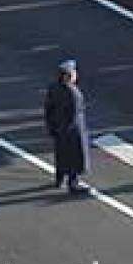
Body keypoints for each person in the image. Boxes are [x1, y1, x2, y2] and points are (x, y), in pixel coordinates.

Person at [44, 59, 91, 193]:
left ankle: (59, 179)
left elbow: (48, 108)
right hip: (72, 130)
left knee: (60, 155)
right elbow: (74, 113)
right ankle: (73, 183)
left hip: (57, 128)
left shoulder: (54, 88)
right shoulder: (73, 93)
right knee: (75, 157)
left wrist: (51, 126)